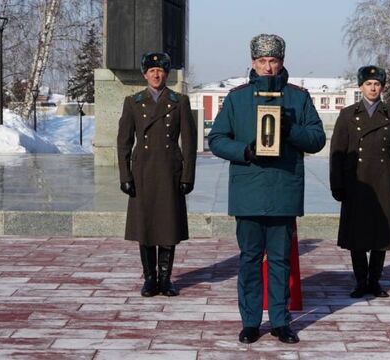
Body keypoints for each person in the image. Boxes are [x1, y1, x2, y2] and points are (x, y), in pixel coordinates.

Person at [208, 34, 326, 344]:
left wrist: (293, 131)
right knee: (248, 259)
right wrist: (245, 151)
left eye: (273, 61)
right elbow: (217, 139)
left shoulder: (298, 98)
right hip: (248, 192)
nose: (268, 67)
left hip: (283, 192)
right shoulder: (237, 98)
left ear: (282, 62)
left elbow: (317, 139)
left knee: (279, 261)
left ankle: (280, 321)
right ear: (252, 63)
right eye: (262, 61)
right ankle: (250, 322)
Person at [117, 52, 197, 298]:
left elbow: (190, 142)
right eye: (151, 71)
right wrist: (125, 176)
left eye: (161, 70)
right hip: (143, 171)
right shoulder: (133, 102)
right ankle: (149, 278)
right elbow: (123, 142)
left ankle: (166, 278)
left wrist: (187, 176)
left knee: (167, 225)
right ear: (145, 74)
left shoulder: (179, 101)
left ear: (166, 74)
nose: (156, 74)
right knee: (146, 226)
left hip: (170, 171)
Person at [329, 65, 390, 299]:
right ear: (361, 87)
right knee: (357, 235)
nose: (373, 88)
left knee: (380, 235)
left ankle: (374, 281)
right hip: (356, 181)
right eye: (368, 84)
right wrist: (337, 184)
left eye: (377, 84)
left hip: (384, 181)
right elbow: (337, 152)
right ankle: (360, 281)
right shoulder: (347, 115)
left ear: (382, 87)